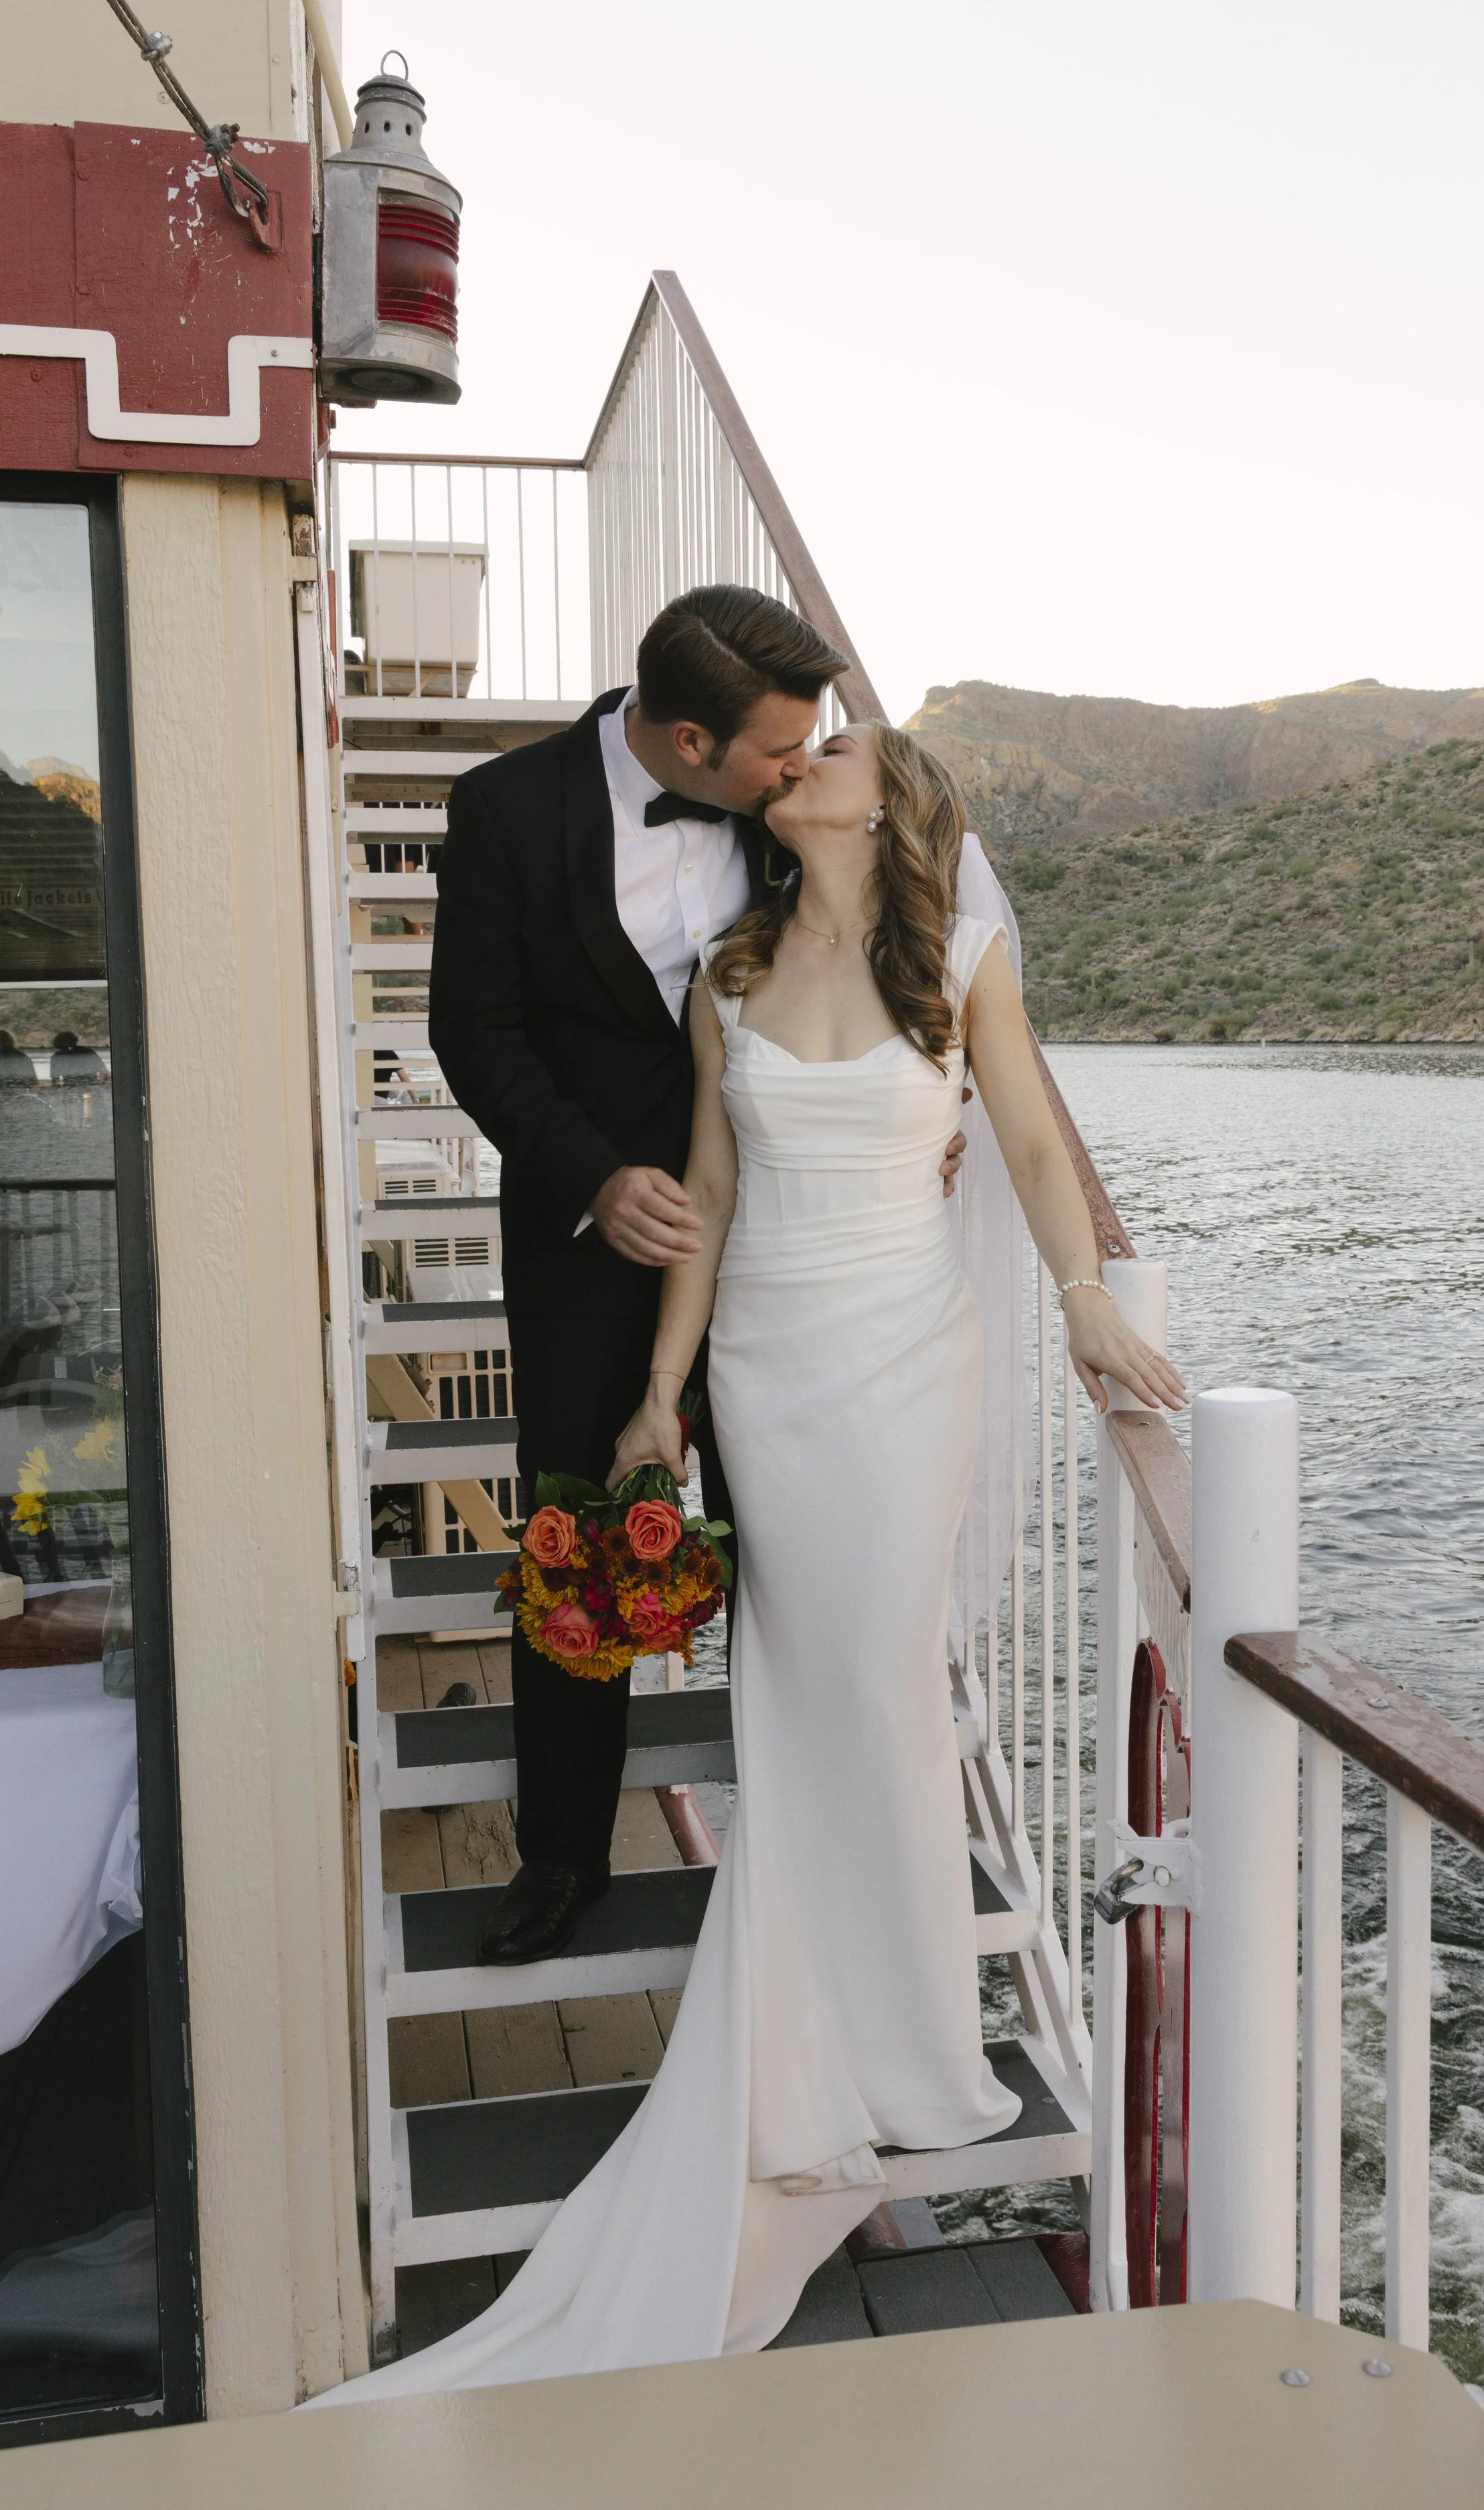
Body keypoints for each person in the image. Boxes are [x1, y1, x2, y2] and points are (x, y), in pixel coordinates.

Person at [309, 720, 1184, 2400]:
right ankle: (825, 2010)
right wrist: (659, 1388)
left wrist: (1082, 1297)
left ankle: (911, 2039)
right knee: (801, 1683)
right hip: (765, 1366)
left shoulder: (965, 958)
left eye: (833, 745)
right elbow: (708, 1182)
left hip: (908, 1353)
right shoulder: (729, 965)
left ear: (892, 799)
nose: (802, 757)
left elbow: (1023, 1144)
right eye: (789, 744)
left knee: (879, 1674)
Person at [428, 587, 969, 1968]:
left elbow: (886, 940)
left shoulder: (785, 812)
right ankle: (562, 1849)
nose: (797, 769)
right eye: (777, 749)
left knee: (795, 1545)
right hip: (599, 1239)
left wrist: (923, 1104)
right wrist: (593, 1178)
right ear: (687, 741)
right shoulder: (504, 811)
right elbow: (473, 1030)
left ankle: (806, 1845)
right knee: (578, 1532)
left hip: (785, 1240)